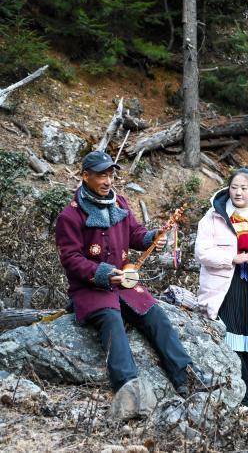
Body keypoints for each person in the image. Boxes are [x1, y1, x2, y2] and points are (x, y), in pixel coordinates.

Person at [55, 151, 212, 415]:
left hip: (124, 285)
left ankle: (185, 377)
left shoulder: (120, 203)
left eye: (110, 174)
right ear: (85, 176)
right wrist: (104, 273)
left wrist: (152, 237)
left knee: (156, 315)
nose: (108, 180)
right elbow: (70, 259)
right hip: (90, 288)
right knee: (112, 320)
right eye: (101, 175)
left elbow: (134, 234)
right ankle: (130, 387)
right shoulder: (69, 217)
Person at [195, 168, 248, 416]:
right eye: (234, 187)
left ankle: (244, 395)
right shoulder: (213, 216)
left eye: (244, 188)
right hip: (223, 285)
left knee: (245, 340)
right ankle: (234, 397)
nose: (238, 192)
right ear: (228, 189)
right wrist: (232, 258)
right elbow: (202, 251)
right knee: (225, 337)